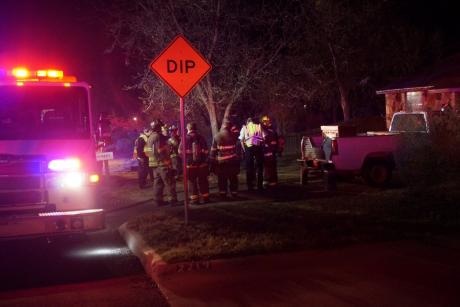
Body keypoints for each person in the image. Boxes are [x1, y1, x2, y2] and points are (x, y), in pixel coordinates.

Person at [147, 119, 178, 207]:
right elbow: (159, 150)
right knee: (169, 182)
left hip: (154, 165)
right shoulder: (158, 136)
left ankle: (158, 201)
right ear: (158, 127)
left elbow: (151, 152)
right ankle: (173, 200)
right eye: (161, 127)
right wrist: (166, 161)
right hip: (162, 164)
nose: (161, 128)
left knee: (158, 183)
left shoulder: (150, 137)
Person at [180, 122, 210, 204]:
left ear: (188, 128)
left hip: (190, 165)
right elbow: (207, 151)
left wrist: (186, 159)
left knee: (192, 182)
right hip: (202, 165)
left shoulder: (185, 138)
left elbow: (180, 151)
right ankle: (206, 198)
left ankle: (194, 200)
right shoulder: (201, 137)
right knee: (203, 181)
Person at [210, 120, 241, 200]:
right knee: (233, 178)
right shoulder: (234, 135)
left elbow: (213, 151)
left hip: (221, 163)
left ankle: (223, 194)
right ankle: (234, 194)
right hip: (232, 162)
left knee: (222, 179)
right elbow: (238, 147)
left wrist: (212, 161)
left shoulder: (217, 136)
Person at [239, 117, 264, 191]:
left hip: (249, 148)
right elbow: (263, 138)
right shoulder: (258, 126)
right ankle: (260, 185)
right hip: (257, 147)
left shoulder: (245, 127)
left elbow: (241, 140)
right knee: (260, 167)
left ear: (247, 122)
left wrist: (244, 150)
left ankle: (250, 186)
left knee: (249, 167)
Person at [261, 115, 279, 188]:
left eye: (267, 121)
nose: (267, 122)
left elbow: (276, 141)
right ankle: (269, 181)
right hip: (268, 152)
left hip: (270, 152)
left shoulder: (271, 131)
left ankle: (271, 181)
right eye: (265, 121)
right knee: (268, 167)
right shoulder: (265, 130)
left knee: (270, 167)